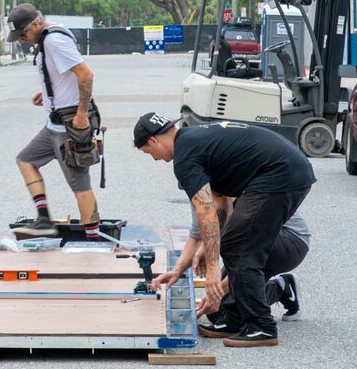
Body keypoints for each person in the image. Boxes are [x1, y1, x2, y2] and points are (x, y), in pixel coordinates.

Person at [134, 112, 314, 347]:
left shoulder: (186, 156)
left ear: (153, 141)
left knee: (240, 247)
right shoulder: (193, 141)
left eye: (149, 153)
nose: (154, 159)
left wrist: (211, 271)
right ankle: (235, 319)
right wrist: (179, 270)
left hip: (280, 174)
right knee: (235, 243)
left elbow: (206, 213)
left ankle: (261, 326)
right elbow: (220, 208)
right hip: (287, 170)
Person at [6, 4, 100, 235]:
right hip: (55, 123)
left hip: (69, 124)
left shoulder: (53, 41)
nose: (23, 40)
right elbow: (62, 73)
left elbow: (86, 74)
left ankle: (93, 237)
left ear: (36, 24)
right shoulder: (48, 36)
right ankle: (44, 220)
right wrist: (49, 95)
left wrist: (81, 114)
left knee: (79, 184)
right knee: (26, 160)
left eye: (24, 34)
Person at [152, 193, 309, 326]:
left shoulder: (230, 185)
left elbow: (245, 253)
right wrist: (176, 272)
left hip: (288, 240)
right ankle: (281, 287)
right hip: (250, 245)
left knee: (231, 311)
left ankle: (258, 321)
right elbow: (197, 235)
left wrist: (218, 290)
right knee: (217, 313)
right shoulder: (197, 188)